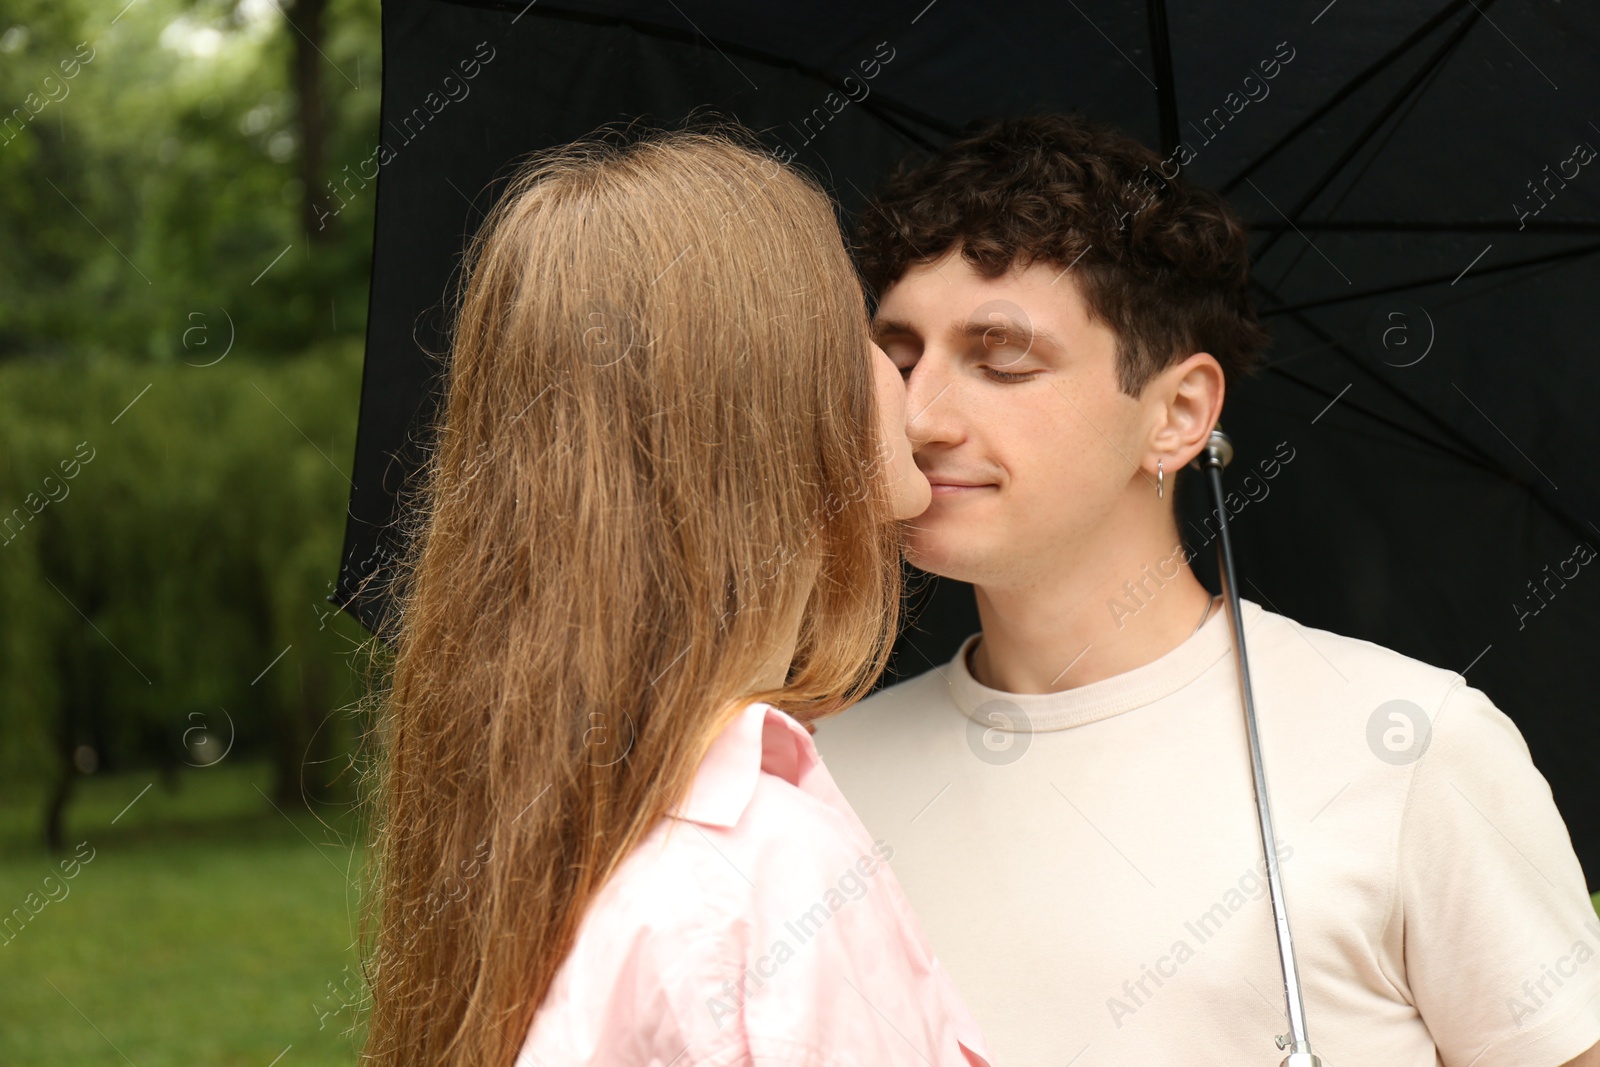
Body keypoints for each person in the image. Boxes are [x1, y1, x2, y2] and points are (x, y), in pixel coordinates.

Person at [811, 112, 1600, 1067]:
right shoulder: (814, 778)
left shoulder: (1408, 746)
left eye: (1002, 358)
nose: (920, 414)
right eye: (897, 359)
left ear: (1179, 414)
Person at [354, 126, 993, 1067]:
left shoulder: (579, 829)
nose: (904, 385)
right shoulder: (761, 877)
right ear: (773, 396)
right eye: (860, 328)